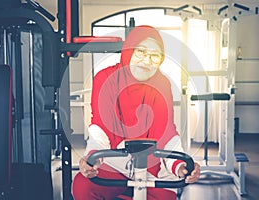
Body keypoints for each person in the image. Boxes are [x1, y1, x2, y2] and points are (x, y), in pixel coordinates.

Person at [72, 25, 200, 200]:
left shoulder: (162, 84)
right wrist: (92, 159)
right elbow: (100, 126)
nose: (147, 61)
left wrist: (180, 165)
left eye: (155, 56)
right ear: (128, 51)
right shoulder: (105, 78)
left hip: (152, 166)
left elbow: (166, 131)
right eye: (141, 51)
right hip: (115, 161)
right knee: (83, 187)